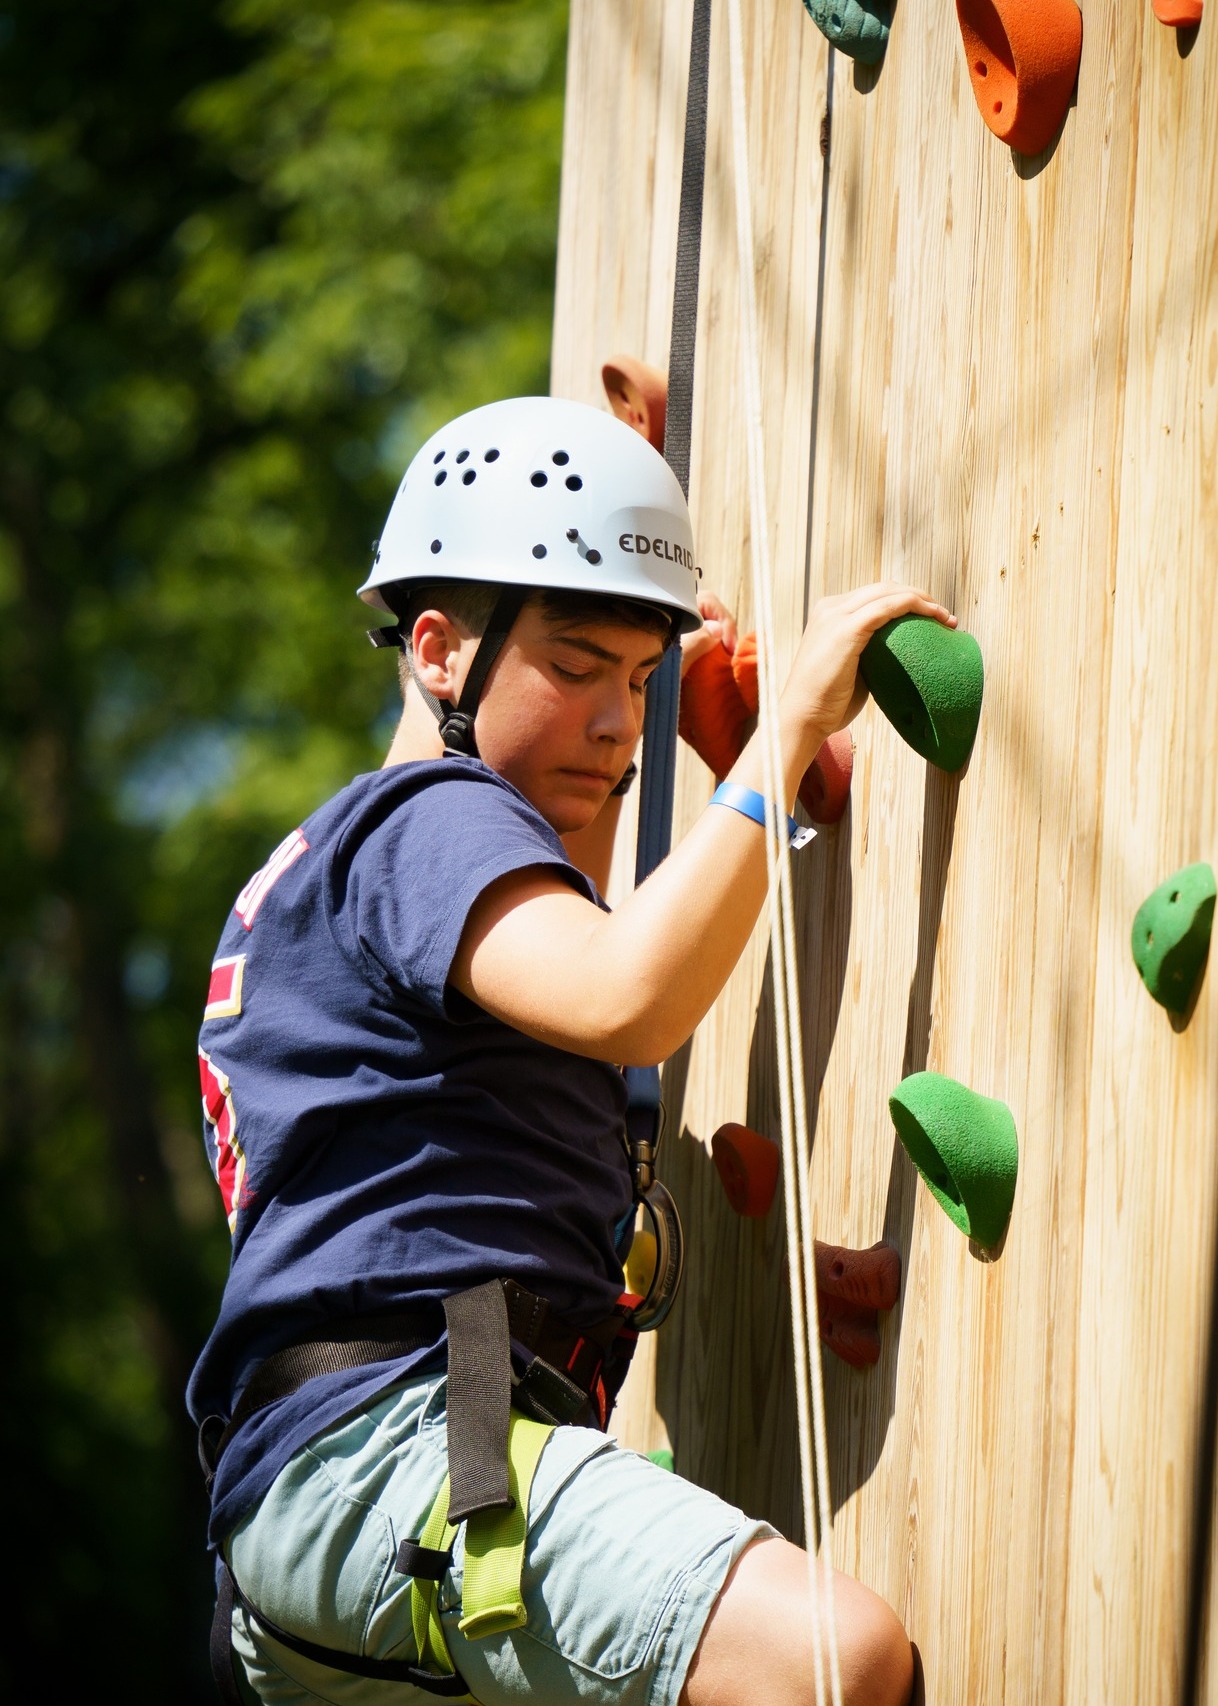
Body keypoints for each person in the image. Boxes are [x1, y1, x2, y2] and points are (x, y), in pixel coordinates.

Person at [189, 395, 954, 1706]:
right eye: (575, 664)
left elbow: (562, 874)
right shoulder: (432, 824)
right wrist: (781, 736)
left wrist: (630, 647)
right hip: (416, 1436)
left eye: (640, 684)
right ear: (435, 650)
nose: (615, 724)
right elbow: (626, 993)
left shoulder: (366, 850)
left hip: (365, 1470)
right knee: (834, 1658)